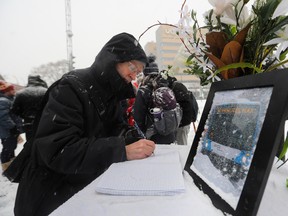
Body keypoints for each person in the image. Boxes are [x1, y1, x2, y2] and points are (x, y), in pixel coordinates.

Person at [14, 32, 155, 216]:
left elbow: (112, 129)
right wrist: (121, 149)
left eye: (138, 72)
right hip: (49, 198)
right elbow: (59, 149)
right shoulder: (71, 88)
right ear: (113, 59)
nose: (134, 76)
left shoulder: (114, 94)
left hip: (79, 191)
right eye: (132, 67)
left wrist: (131, 136)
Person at [133, 56, 180, 144]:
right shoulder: (168, 86)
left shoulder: (144, 90)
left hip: (153, 137)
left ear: (145, 73)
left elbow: (138, 118)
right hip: (171, 135)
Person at [11, 75, 48, 141]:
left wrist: (23, 115)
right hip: (44, 121)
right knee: (43, 142)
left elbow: (14, 110)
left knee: (30, 142)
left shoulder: (20, 93)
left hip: (28, 122)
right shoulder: (46, 91)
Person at [0, 81, 22, 172]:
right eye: (11, 89)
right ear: (6, 91)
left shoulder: (8, 99)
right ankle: (6, 168)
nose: (14, 90)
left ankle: (11, 166)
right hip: (7, 131)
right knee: (8, 148)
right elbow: (3, 117)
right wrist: (12, 127)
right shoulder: (3, 101)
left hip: (9, 130)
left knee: (11, 147)